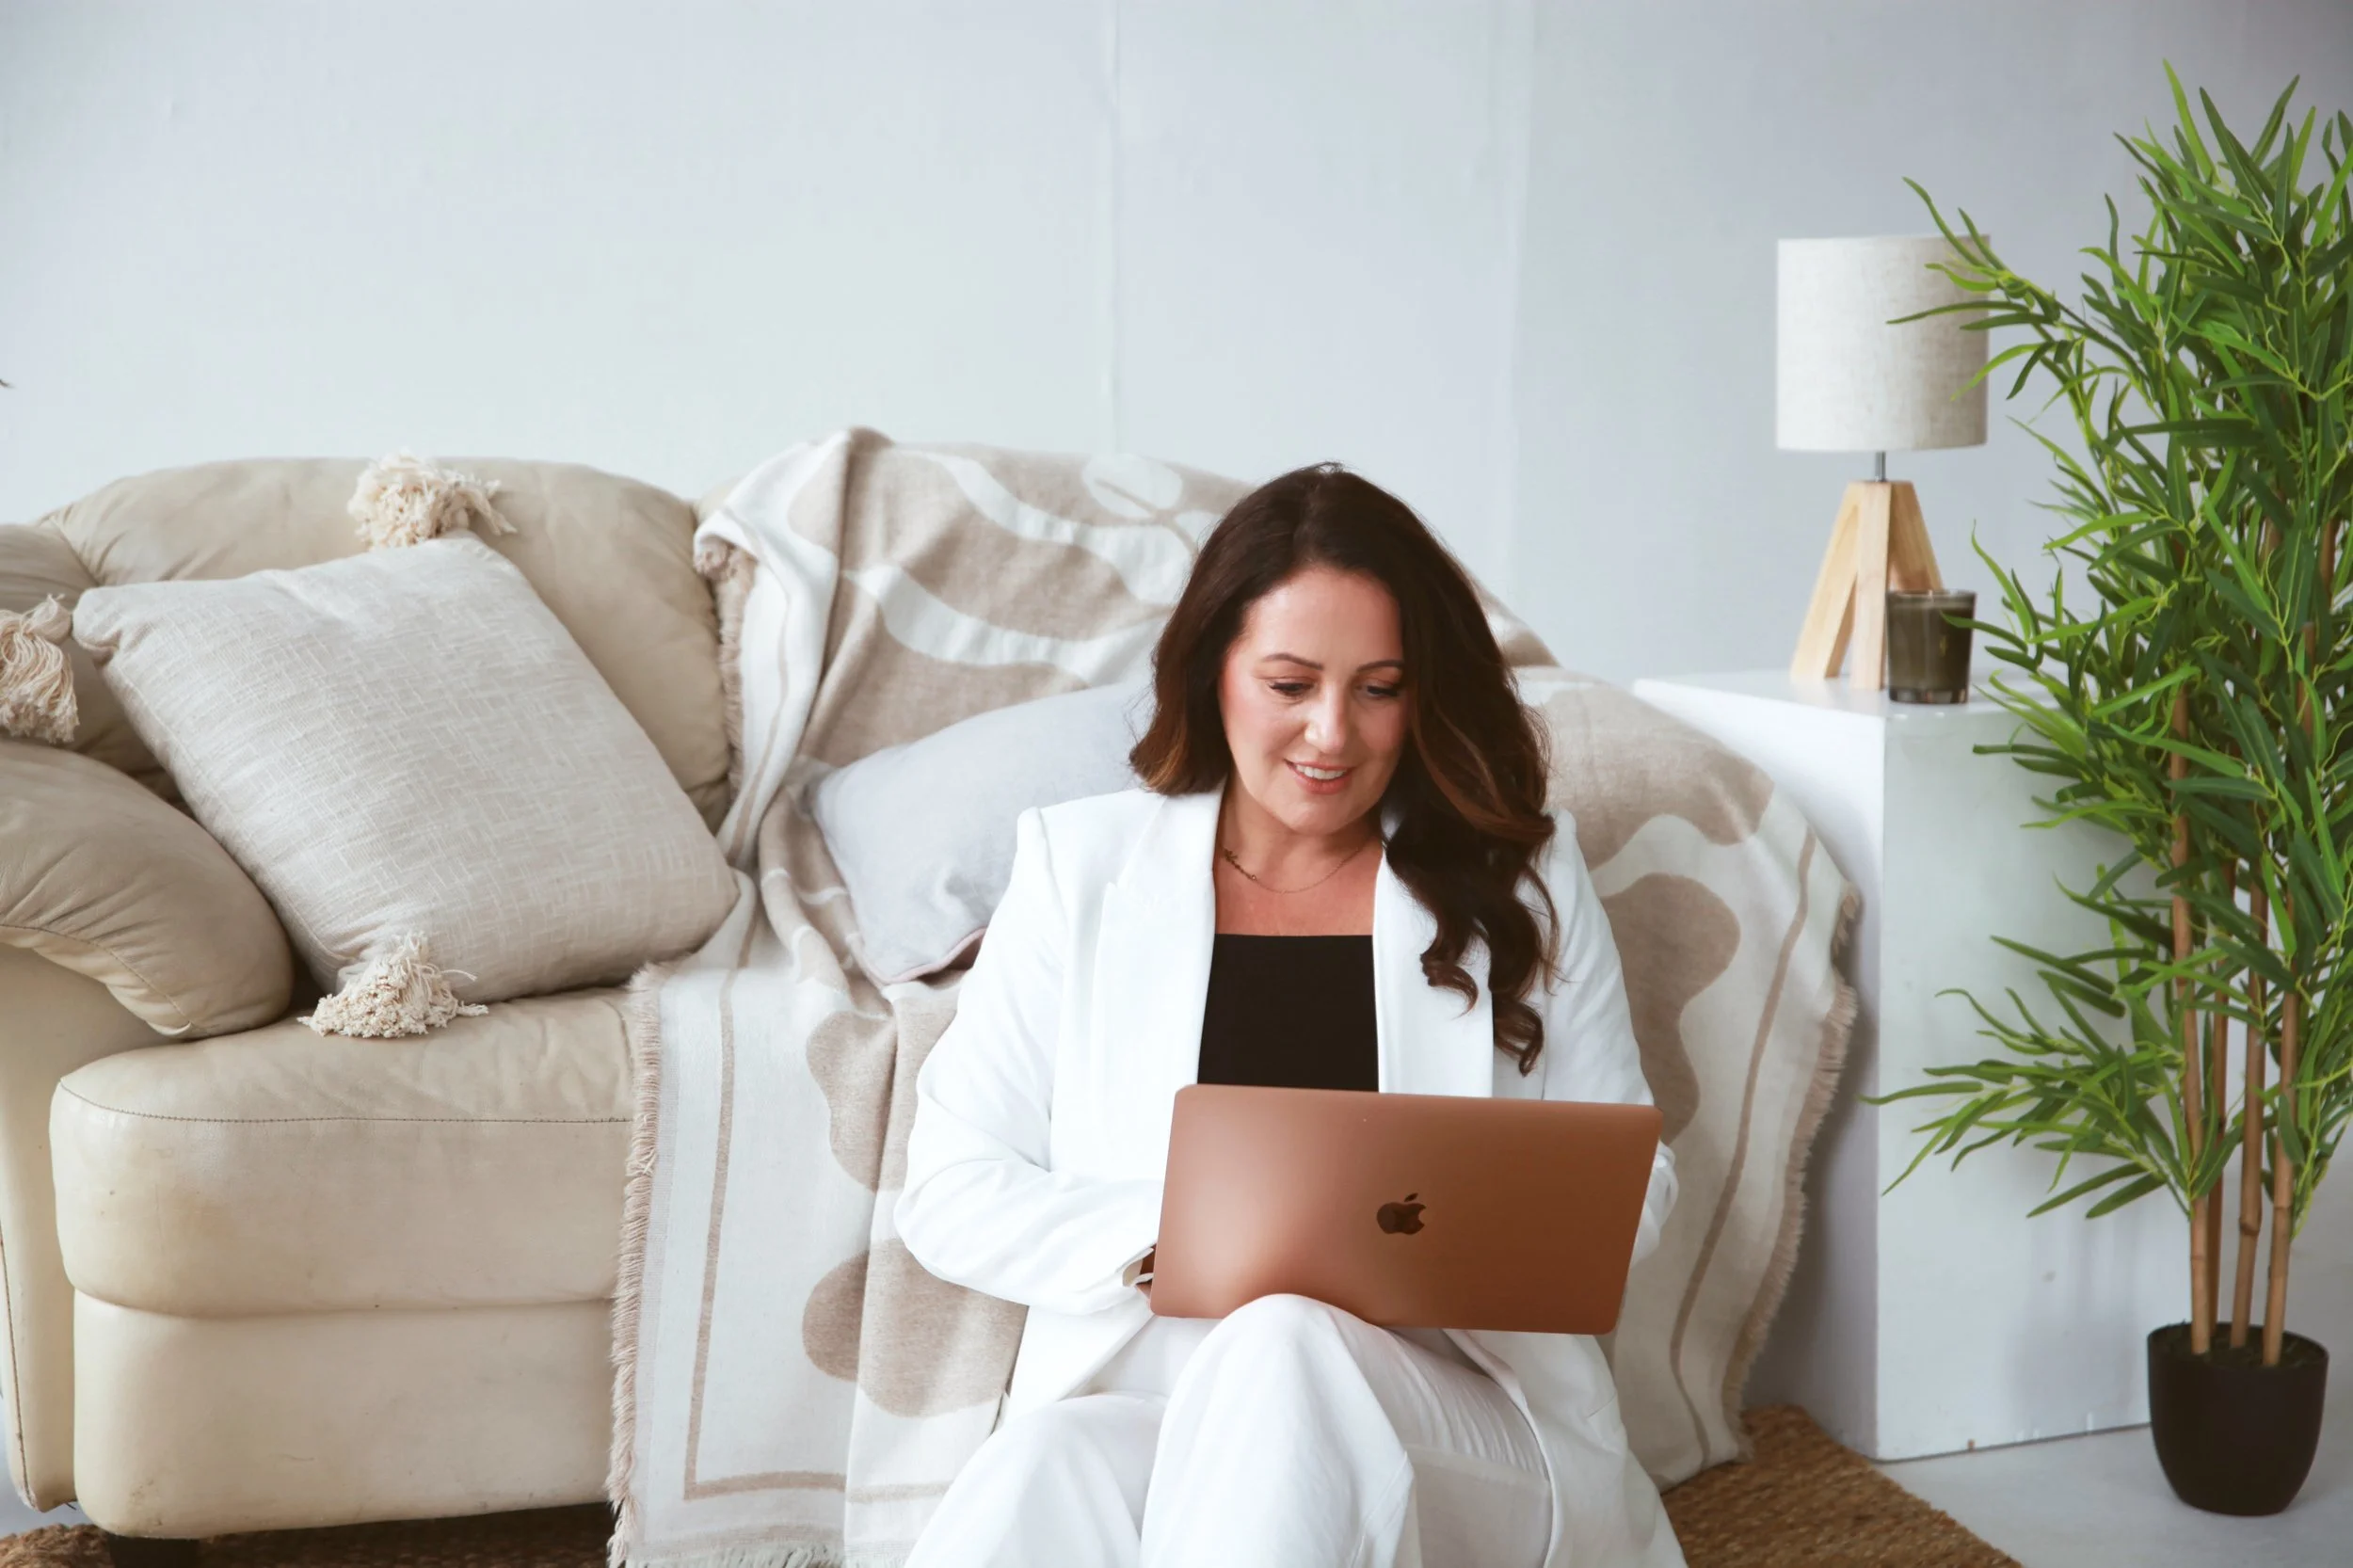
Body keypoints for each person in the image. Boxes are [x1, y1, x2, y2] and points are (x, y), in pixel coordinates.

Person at [893, 462, 1684, 1568]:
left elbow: (1632, 1184)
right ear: (1213, 670)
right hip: (1168, 1401)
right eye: (1289, 683)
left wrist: (1449, 1246)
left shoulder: (1522, 877)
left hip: (1461, 1421)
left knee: (1285, 1340)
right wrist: (1183, 1238)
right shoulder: (1079, 869)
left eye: (1378, 687)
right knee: (1041, 1469)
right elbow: (950, 1188)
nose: (1332, 734)